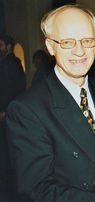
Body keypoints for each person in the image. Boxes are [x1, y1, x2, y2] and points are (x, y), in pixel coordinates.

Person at [6, 5, 95, 202]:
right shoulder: (27, 109)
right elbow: (36, 189)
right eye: (68, 42)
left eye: (87, 41)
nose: (80, 51)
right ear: (50, 46)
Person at [0, 34, 26, 201]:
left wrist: (5, 109)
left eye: (1, 45)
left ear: (8, 46)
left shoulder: (11, 63)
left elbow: (13, 89)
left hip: (8, 113)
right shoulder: (8, 63)